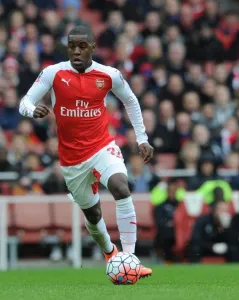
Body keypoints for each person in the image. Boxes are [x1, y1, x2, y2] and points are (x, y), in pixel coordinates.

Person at [19, 25, 154, 278]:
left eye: (82, 46)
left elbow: (131, 101)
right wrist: (31, 110)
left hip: (102, 146)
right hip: (72, 160)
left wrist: (142, 138)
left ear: (92, 47)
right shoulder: (54, 73)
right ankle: (110, 252)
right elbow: (25, 101)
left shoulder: (109, 75)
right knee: (92, 215)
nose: (76, 51)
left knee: (120, 187)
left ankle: (131, 259)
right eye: (72, 46)